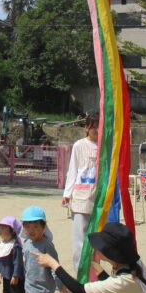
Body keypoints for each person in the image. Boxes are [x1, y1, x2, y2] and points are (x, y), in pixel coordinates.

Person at [21, 206, 66, 293]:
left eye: (35, 226)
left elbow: (54, 266)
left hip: (44, 290)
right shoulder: (27, 243)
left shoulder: (47, 245)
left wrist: (60, 284)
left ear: (44, 227)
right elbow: (26, 264)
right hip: (30, 288)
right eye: (27, 226)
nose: (31, 230)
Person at [62, 114, 99, 272]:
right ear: (87, 128)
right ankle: (80, 273)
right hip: (81, 197)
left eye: (99, 126)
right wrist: (67, 193)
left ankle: (95, 273)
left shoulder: (105, 147)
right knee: (79, 239)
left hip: (98, 198)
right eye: (93, 126)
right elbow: (73, 170)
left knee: (97, 240)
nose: (96, 129)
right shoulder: (79, 145)